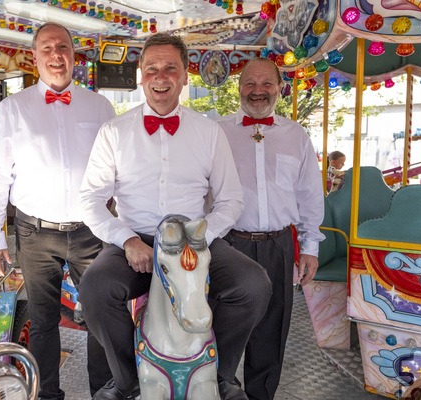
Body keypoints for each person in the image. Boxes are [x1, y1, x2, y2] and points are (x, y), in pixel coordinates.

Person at [78, 33, 272, 400]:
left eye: (171, 68)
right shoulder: (114, 132)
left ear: (185, 76)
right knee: (95, 289)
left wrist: (202, 238)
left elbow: (231, 200)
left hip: (195, 241)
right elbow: (90, 199)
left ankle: (220, 374)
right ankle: (126, 381)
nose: (160, 76)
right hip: (136, 240)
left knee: (254, 285)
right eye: (152, 68)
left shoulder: (209, 132)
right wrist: (128, 240)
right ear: (141, 76)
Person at [0, 22, 116, 400]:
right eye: (47, 48)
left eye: (63, 47)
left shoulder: (100, 106)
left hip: (91, 231)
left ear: (74, 54)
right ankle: (47, 394)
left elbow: (118, 171)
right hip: (35, 233)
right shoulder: (13, 108)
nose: (56, 55)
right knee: (41, 321)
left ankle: (104, 393)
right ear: (34, 56)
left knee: (100, 318)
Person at [217, 57, 325, 400]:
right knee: (223, 326)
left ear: (280, 88)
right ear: (239, 88)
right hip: (229, 246)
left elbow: (309, 194)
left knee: (272, 327)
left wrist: (310, 247)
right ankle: (218, 389)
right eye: (250, 83)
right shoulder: (216, 132)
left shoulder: (297, 136)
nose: (258, 91)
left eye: (267, 84)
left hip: (279, 245)